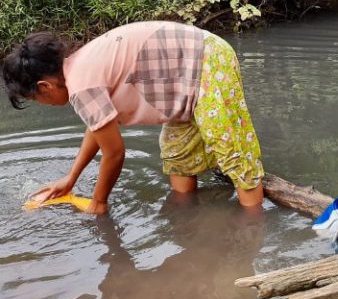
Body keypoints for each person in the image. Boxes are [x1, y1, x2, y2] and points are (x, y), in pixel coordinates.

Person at [1, 21, 265, 214]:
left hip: (206, 59)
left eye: (36, 98)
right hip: (179, 82)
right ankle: (189, 218)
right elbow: (98, 127)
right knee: (177, 155)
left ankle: (254, 228)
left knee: (231, 150)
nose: (44, 104)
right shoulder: (78, 70)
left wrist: (99, 202)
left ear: (44, 86)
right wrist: (71, 179)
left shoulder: (81, 83)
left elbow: (114, 153)